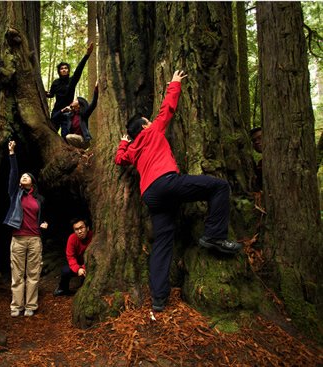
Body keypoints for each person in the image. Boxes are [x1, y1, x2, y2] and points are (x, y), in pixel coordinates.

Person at [114, 70, 242, 313]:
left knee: (163, 242)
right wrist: (174, 84)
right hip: (166, 182)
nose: (151, 121)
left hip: (150, 196)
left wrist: (124, 142)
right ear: (145, 126)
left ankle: (159, 299)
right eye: (147, 120)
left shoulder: (133, 150)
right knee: (219, 186)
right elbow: (167, 110)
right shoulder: (152, 131)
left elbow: (119, 158)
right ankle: (215, 235)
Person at [3, 140, 48, 317]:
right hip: (18, 239)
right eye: (22, 177)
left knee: (33, 274)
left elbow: (44, 217)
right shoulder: (15, 194)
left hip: (35, 239)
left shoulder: (39, 199)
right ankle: (16, 307)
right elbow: (13, 173)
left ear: (33, 182)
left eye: (27, 176)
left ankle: (30, 305)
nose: (23, 177)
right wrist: (12, 154)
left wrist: (44, 224)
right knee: (17, 275)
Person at [47, 43, 94, 129]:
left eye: (66, 68)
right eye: (61, 68)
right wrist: (46, 93)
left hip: (68, 111)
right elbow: (51, 95)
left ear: (68, 71)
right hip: (57, 111)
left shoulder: (72, 80)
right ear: (59, 71)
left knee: (66, 135)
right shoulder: (55, 83)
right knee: (52, 130)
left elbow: (79, 70)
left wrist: (87, 55)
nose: (64, 69)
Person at [51, 82, 98, 149]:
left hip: (84, 141)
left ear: (79, 104)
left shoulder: (84, 115)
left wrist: (96, 89)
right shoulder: (70, 115)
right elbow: (54, 118)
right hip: (73, 140)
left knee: (68, 137)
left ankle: (79, 151)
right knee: (68, 137)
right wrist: (63, 110)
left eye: (75, 100)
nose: (73, 101)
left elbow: (93, 104)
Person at [53, 218, 93, 296]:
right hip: (77, 264)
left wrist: (84, 267)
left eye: (81, 228)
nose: (79, 231)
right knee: (65, 270)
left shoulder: (93, 237)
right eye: (76, 229)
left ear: (87, 228)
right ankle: (62, 288)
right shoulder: (72, 238)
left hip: (89, 264)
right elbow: (70, 257)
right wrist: (78, 269)